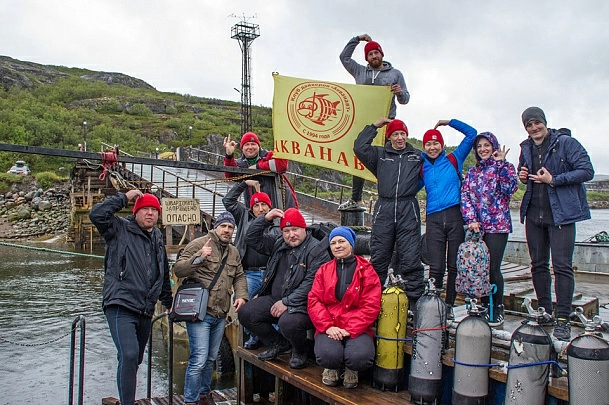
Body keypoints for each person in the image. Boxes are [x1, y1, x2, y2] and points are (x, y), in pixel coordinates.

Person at [89, 190, 173, 405]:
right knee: (128, 354)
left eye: (154, 210)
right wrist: (124, 197)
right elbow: (97, 214)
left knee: (134, 359)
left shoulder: (156, 236)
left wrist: (168, 301)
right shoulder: (119, 228)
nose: (150, 213)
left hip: (144, 307)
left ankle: (127, 397)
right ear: (136, 212)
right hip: (120, 303)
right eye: (145, 209)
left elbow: (161, 270)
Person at [518, 106, 594, 341]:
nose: (534, 128)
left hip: (561, 215)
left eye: (536, 123)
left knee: (561, 266)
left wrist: (554, 180)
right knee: (538, 264)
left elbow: (587, 171)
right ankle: (544, 311)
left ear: (544, 122)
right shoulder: (526, 147)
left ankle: (563, 318)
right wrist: (522, 177)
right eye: (529, 125)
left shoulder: (566, 143)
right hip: (534, 214)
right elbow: (527, 174)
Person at [239, 208, 331, 369]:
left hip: (305, 305)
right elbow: (251, 238)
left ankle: (299, 350)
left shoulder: (317, 251)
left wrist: (287, 302)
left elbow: (311, 284)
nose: (291, 235)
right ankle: (278, 343)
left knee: (288, 322)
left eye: (295, 229)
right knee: (246, 313)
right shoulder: (279, 243)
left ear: (304, 229)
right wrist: (265, 219)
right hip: (276, 298)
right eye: (286, 231)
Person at [173, 211, 248, 405]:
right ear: (216, 227)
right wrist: (199, 257)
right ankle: (190, 399)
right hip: (200, 312)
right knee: (198, 358)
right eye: (223, 226)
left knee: (210, 358)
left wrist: (241, 295)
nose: (227, 230)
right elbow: (179, 269)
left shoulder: (233, 251)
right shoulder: (199, 244)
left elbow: (239, 275)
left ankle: (204, 394)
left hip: (220, 312)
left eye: (230, 227)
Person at [353, 117, 424, 303]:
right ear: (389, 136)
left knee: (410, 258)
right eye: (395, 134)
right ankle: (371, 301)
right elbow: (359, 147)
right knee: (379, 257)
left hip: (408, 208)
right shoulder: (379, 155)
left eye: (402, 133)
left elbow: (438, 166)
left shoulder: (417, 156)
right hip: (384, 207)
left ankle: (414, 303)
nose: (400, 138)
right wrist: (374, 125)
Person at [338, 34, 410, 211]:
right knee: (360, 158)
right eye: (370, 54)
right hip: (365, 123)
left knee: (388, 162)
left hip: (387, 125)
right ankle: (356, 198)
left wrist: (400, 93)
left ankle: (389, 199)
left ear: (382, 54)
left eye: (376, 53)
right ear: (367, 58)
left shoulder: (395, 74)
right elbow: (344, 57)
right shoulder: (360, 71)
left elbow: (405, 99)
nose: (374, 56)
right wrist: (357, 39)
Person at [308, 226, 381, 389]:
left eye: (342, 241)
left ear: (351, 244)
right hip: (330, 325)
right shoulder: (323, 270)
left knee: (360, 357)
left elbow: (371, 305)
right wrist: (327, 327)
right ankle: (331, 367)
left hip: (357, 327)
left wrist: (350, 328)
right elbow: (314, 301)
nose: (337, 246)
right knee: (328, 355)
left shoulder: (367, 271)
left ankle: (352, 369)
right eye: (333, 243)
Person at [420, 119, 477, 319]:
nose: (432, 147)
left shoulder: (454, 159)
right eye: (428, 144)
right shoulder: (422, 166)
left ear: (442, 145)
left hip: (454, 216)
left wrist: (449, 122)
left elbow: (472, 134)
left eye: (436, 143)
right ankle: (434, 305)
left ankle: (450, 305)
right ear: (423, 146)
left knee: (453, 265)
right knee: (436, 266)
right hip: (433, 218)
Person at [461, 132, 518, 327]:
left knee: (493, 268)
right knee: (479, 269)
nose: (483, 149)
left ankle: (497, 306)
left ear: (494, 147)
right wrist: (471, 219)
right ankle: (483, 305)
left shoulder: (505, 167)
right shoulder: (472, 172)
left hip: (498, 226)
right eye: (479, 147)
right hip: (478, 227)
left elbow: (510, 189)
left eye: (487, 145)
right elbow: (465, 197)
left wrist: (501, 164)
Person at [222, 179, 281, 349]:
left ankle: (273, 339)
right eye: (257, 206)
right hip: (250, 272)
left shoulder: (276, 223)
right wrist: (243, 183)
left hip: (271, 273)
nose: (261, 209)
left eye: (264, 205)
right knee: (240, 301)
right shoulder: (243, 216)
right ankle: (255, 334)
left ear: (270, 207)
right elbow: (228, 201)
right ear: (251, 208)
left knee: (274, 305)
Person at [224, 131, 298, 209]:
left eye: (253, 144)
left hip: (279, 203)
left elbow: (282, 165)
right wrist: (229, 155)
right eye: (246, 144)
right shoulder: (240, 163)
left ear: (258, 146)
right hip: (256, 206)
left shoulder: (269, 156)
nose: (250, 147)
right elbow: (231, 176)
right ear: (242, 148)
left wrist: (257, 166)